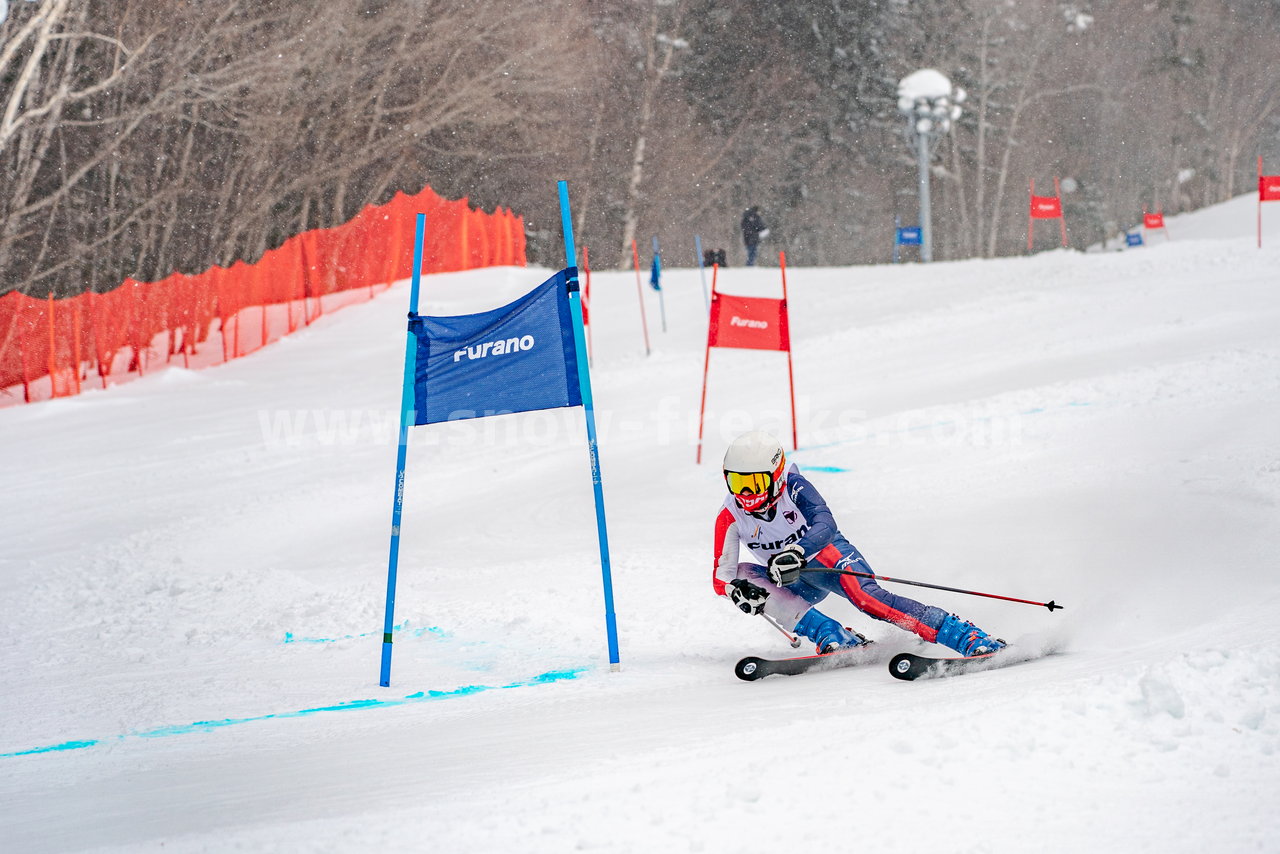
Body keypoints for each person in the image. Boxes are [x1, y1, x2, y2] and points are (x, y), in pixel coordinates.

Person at [712, 431, 1005, 656]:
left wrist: (797, 552)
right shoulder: (731, 515)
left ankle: (964, 635)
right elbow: (720, 576)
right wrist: (735, 590)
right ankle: (832, 633)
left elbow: (825, 524)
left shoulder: (794, 486)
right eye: (737, 484)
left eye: (755, 483)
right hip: (792, 582)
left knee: (869, 599)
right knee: (740, 575)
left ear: (776, 476)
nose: (747, 493)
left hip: (826, 558)